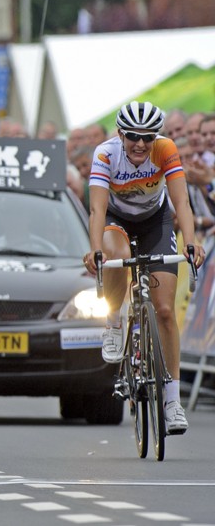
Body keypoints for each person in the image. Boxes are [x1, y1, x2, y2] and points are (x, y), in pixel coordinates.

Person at [82, 101, 205, 435]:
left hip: (155, 222)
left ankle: (172, 402)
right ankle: (113, 322)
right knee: (115, 253)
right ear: (121, 134)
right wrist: (95, 249)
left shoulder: (165, 149)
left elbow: (182, 202)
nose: (140, 144)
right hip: (116, 220)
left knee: (164, 310)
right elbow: (97, 208)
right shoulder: (105, 155)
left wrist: (192, 241)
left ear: (156, 137)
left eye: (147, 137)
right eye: (133, 136)